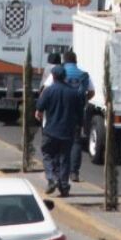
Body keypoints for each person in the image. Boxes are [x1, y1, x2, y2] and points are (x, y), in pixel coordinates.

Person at [36, 63, 83, 195]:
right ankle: (63, 186)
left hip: (50, 131)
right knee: (65, 159)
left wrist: (39, 113)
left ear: (54, 76)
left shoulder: (49, 91)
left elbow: (39, 107)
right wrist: (79, 125)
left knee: (47, 154)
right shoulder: (74, 93)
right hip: (67, 131)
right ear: (64, 77)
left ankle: (52, 178)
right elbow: (80, 113)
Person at [59, 49, 92, 179]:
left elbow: (48, 89)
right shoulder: (83, 75)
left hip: (61, 112)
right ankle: (74, 172)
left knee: (60, 140)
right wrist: (83, 100)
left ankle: (61, 170)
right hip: (77, 112)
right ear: (76, 61)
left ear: (64, 61)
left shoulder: (60, 72)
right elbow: (91, 92)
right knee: (76, 141)